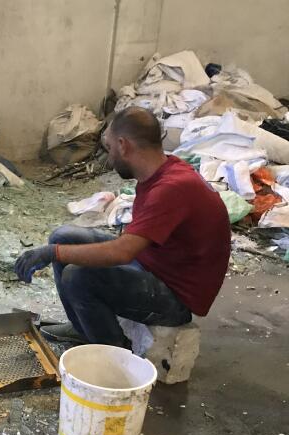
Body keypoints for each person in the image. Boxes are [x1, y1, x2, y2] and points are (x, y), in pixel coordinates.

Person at [14, 107, 231, 347]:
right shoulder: (161, 170)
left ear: (123, 145)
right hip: (155, 264)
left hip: (175, 297)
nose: (109, 158)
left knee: (77, 277)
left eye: (109, 148)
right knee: (63, 237)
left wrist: (52, 253)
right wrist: (57, 249)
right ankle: (83, 329)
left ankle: (114, 357)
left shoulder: (170, 188)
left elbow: (122, 252)